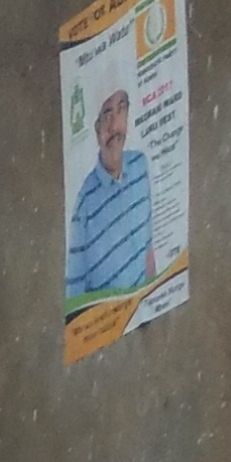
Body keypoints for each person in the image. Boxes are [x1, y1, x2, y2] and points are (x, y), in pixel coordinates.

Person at [65, 78, 155, 312]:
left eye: (120, 110)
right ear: (96, 131)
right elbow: (75, 302)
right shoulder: (83, 205)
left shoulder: (140, 166)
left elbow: (148, 253)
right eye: (106, 115)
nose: (114, 126)